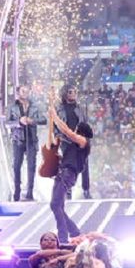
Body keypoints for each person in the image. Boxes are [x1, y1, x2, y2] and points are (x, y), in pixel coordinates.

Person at [49, 86, 93, 243]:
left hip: (68, 173)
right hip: (63, 171)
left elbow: (67, 131)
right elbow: (65, 134)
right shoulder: (75, 143)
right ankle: (73, 231)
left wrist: (54, 117)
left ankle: (63, 237)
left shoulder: (83, 142)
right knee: (56, 205)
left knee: (55, 205)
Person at [9, 84, 46, 201]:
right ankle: (17, 191)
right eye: (22, 91)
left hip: (31, 140)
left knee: (31, 167)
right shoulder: (12, 107)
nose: (25, 93)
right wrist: (19, 121)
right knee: (16, 166)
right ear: (18, 92)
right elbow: (7, 123)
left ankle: (30, 192)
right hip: (18, 140)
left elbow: (44, 120)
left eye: (27, 90)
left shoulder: (35, 106)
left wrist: (32, 121)